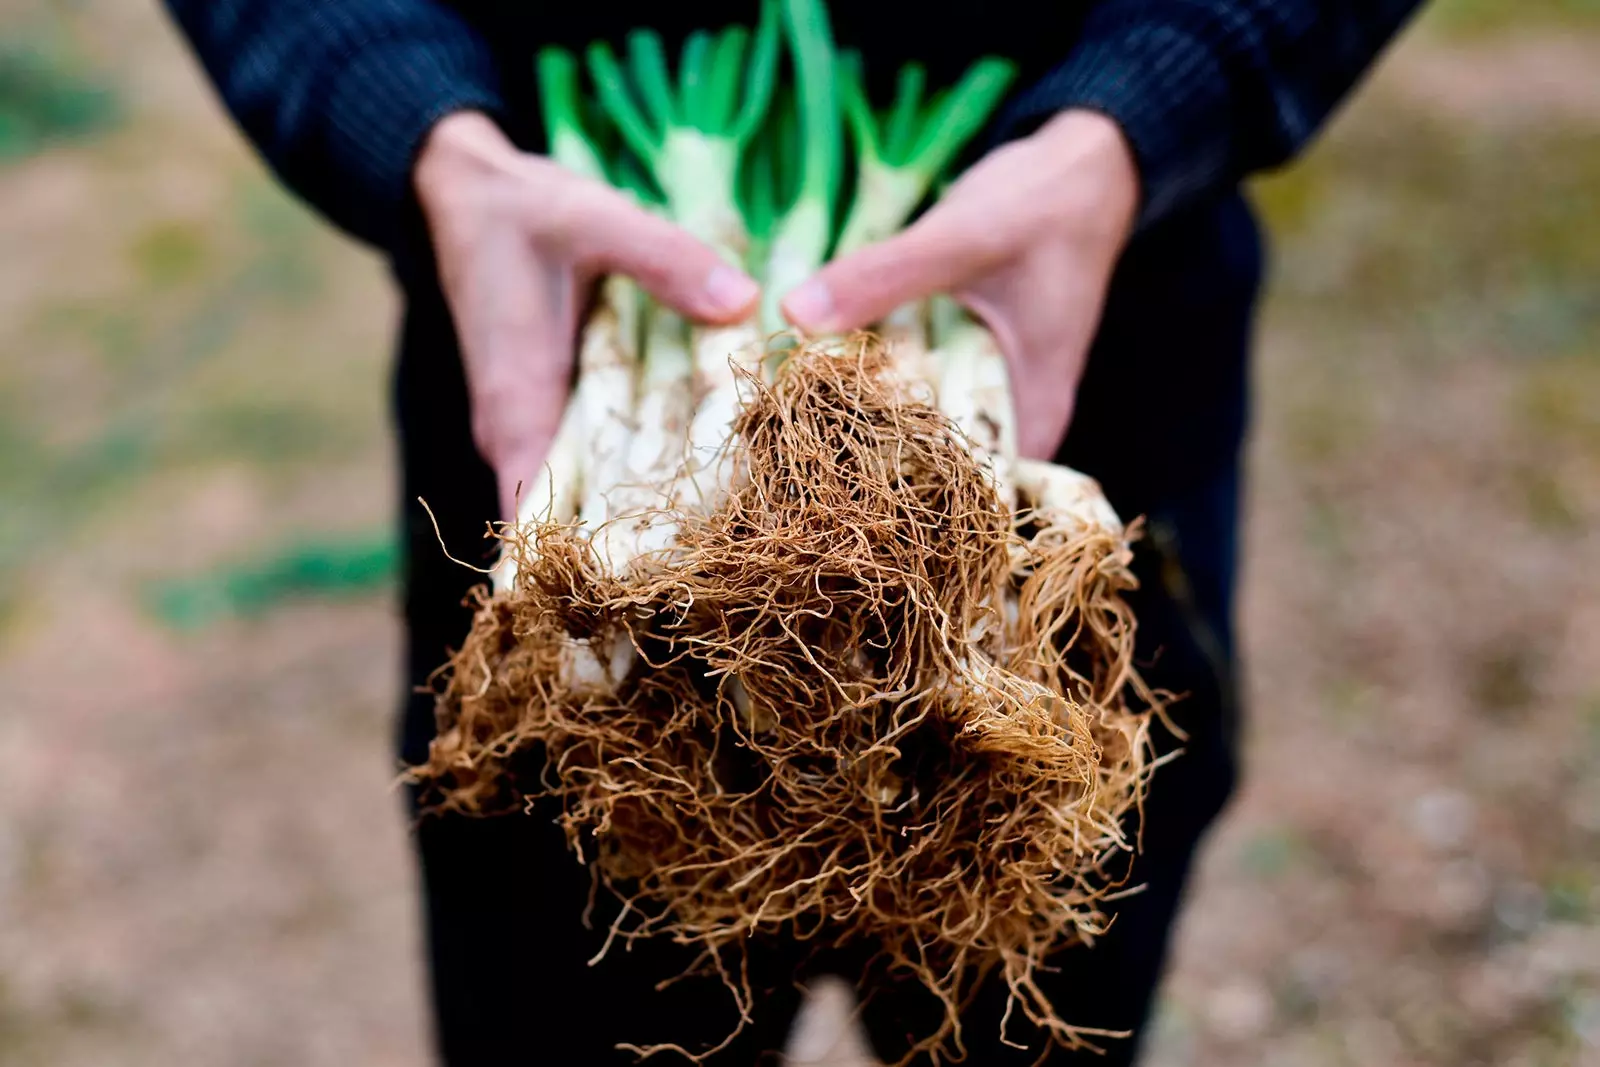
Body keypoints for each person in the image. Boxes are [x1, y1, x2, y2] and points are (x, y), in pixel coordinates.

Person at [163, 2, 1423, 1063]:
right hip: (551, 424)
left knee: (1053, 937)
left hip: (1106, 365)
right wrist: (422, 133)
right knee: (562, 949)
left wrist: (1150, 108)